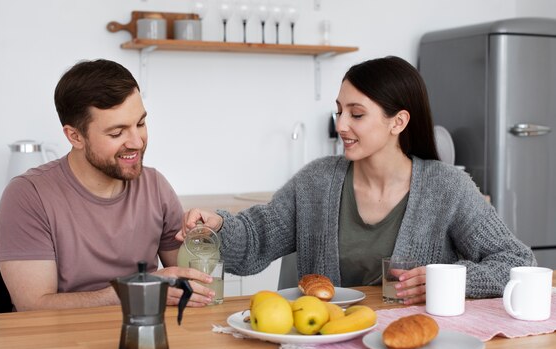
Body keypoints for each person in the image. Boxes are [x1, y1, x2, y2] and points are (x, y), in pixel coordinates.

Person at [179, 56, 535, 305]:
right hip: (327, 347)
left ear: (397, 122)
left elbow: (518, 263)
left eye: (357, 114)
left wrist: (450, 281)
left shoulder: (447, 189)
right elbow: (259, 236)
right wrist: (219, 227)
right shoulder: (316, 182)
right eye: (339, 111)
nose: (340, 125)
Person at [0, 59, 214, 311]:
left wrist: (205, 235)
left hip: (143, 334)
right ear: (75, 136)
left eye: (140, 124)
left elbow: (195, 277)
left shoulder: (154, 186)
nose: (137, 142)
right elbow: (33, 305)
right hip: (61, 342)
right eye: (116, 133)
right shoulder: (28, 196)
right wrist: (133, 291)